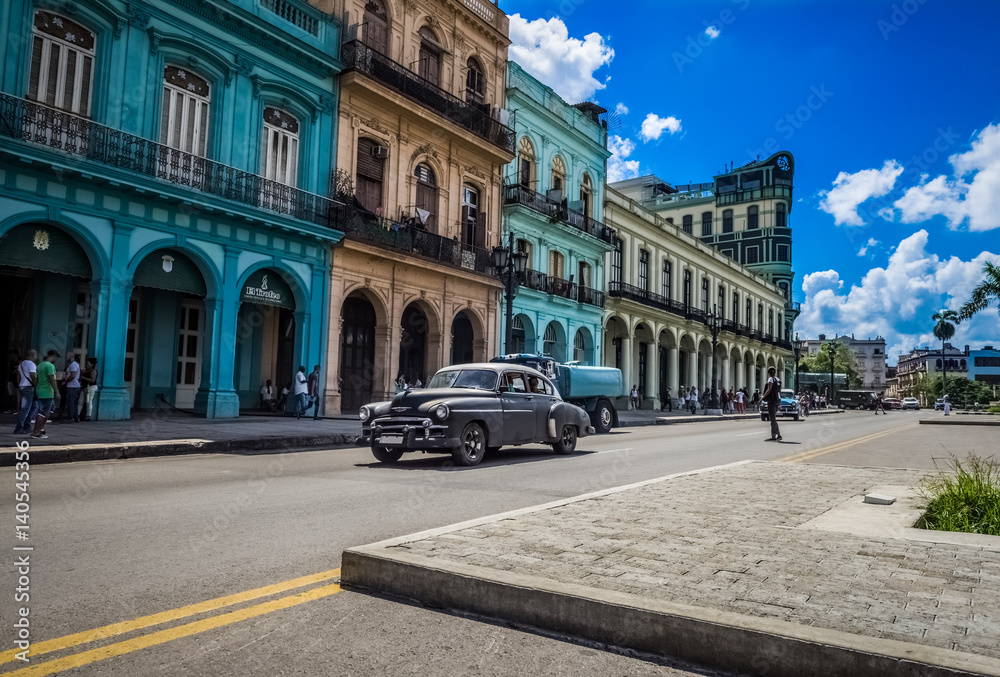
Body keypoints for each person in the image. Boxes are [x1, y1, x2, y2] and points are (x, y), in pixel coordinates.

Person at [31, 350, 60, 439]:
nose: (56, 359)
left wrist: (38, 386)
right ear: (53, 356)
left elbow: (36, 379)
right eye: (56, 357)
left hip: (40, 390)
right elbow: (52, 379)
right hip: (47, 391)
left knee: (50, 409)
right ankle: (36, 432)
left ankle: (41, 429)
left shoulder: (40, 365)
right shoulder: (50, 366)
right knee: (42, 412)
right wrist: (57, 391)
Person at [12, 349, 38, 435]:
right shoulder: (32, 364)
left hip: (23, 386)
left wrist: (20, 385)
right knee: (25, 409)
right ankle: (19, 427)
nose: (36, 357)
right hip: (29, 387)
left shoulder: (21, 364)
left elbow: (18, 376)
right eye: (36, 355)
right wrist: (36, 385)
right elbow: (33, 375)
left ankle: (27, 425)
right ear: (32, 355)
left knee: (34, 406)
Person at [762, 366, 782, 442]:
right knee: (773, 418)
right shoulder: (778, 379)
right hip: (777, 400)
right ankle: (779, 434)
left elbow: (769, 389)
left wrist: (762, 397)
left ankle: (773, 436)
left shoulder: (770, 379)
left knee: (772, 419)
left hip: (772, 401)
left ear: (768, 373)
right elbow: (779, 391)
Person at [62, 354, 82, 423]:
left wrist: (65, 381)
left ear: (73, 357)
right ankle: (76, 417)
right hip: (75, 386)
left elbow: (73, 375)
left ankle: (70, 418)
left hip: (72, 386)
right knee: (75, 403)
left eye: (70, 356)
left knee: (70, 402)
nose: (68, 357)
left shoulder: (73, 365)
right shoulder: (76, 364)